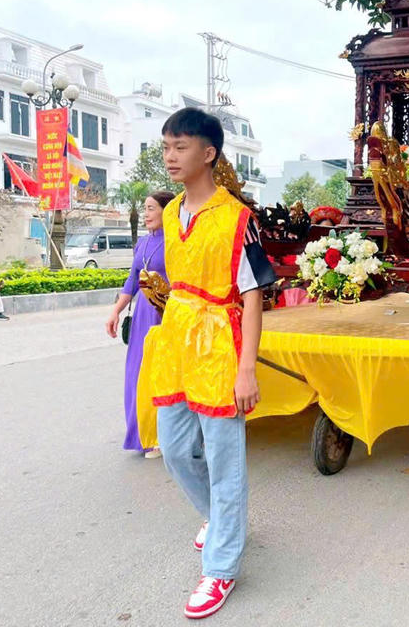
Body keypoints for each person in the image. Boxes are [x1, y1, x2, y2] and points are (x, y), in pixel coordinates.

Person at [135, 108, 276, 619]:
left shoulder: (237, 218)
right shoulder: (172, 211)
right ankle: (221, 519)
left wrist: (246, 368)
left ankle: (220, 568)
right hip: (177, 340)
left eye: (181, 146)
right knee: (174, 449)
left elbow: (254, 294)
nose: (170, 156)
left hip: (219, 345)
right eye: (166, 146)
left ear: (208, 152)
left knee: (224, 459)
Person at [106, 190, 174, 455]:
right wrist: (115, 311)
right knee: (137, 373)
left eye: (151, 208)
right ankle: (142, 434)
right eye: (145, 209)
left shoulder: (177, 242)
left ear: (167, 211)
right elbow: (131, 282)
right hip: (143, 317)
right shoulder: (143, 243)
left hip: (167, 315)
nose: (146, 214)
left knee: (162, 372)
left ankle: (163, 436)